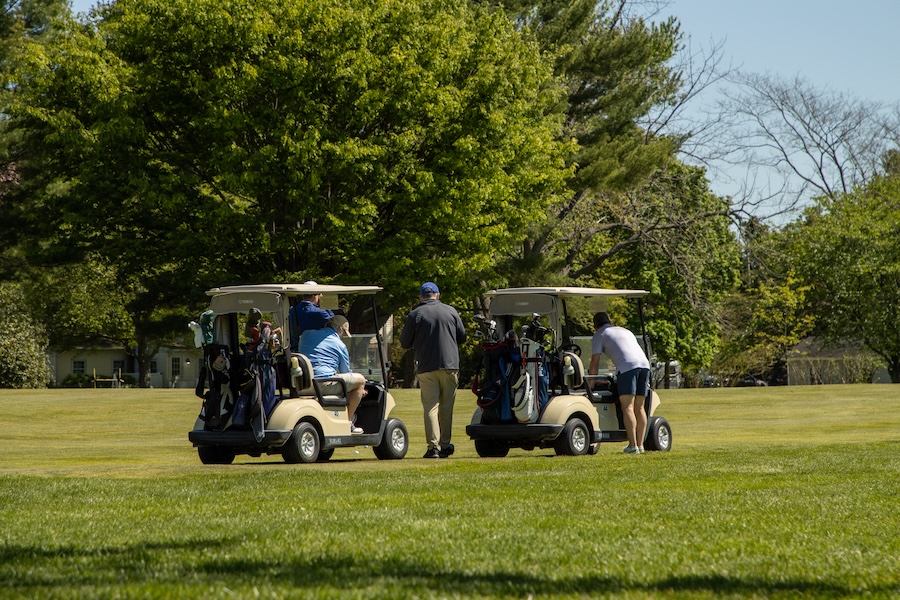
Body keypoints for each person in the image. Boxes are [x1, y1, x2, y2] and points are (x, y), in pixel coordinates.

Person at [400, 282, 467, 458]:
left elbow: (405, 343)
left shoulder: (415, 314)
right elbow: (462, 337)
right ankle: (445, 445)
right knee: (446, 407)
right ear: (437, 295)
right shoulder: (451, 311)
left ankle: (433, 447)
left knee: (431, 407)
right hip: (450, 365)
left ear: (421, 297)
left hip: (426, 366)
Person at [588, 312, 650, 454]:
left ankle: (632, 446)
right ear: (609, 321)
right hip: (644, 365)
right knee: (639, 408)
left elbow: (594, 363)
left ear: (595, 325)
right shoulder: (624, 331)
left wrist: (591, 385)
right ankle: (640, 446)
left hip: (627, 367)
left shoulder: (600, 334)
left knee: (627, 407)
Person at [298, 315, 367, 433]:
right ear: (340, 329)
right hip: (323, 385)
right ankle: (348, 422)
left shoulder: (306, 335)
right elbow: (346, 372)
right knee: (360, 381)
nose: (343, 336)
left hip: (303, 384)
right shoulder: (340, 345)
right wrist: (360, 392)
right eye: (344, 333)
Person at [289, 281, 334, 351]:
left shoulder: (292, 310)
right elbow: (334, 324)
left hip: (297, 348)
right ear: (315, 295)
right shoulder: (320, 312)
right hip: (317, 348)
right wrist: (324, 304)